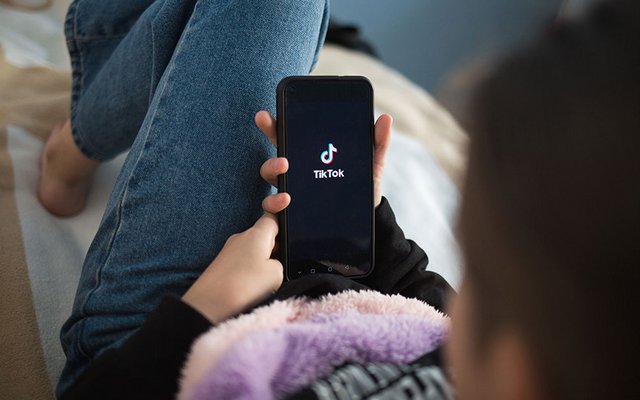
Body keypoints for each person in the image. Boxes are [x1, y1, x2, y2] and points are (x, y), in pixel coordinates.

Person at [42, 0, 638, 399]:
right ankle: (84, 129)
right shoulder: (545, 340)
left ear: (519, 369)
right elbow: (425, 298)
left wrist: (202, 309)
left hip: (159, 348)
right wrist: (365, 216)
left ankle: (79, 137)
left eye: (480, 268)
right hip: (275, 275)